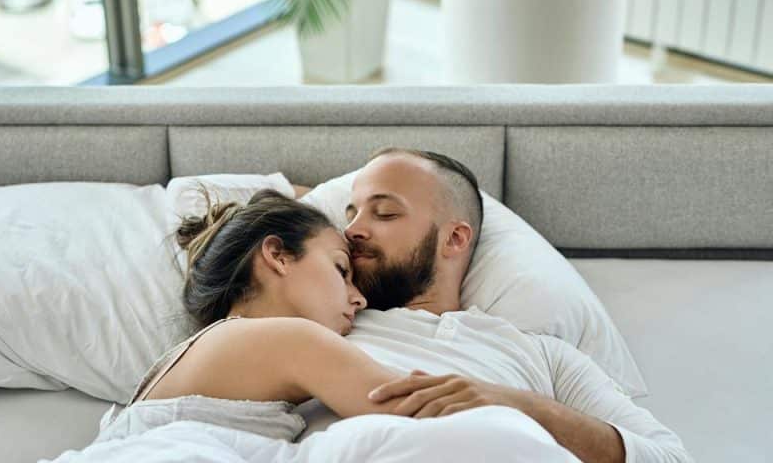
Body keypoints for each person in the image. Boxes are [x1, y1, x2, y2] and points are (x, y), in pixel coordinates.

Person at [79, 189, 576, 462]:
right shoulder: (287, 338)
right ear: (275, 255)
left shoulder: (206, 351)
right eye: (341, 269)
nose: (358, 298)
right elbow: (416, 407)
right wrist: (520, 403)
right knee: (496, 433)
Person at [306, 147, 692, 463]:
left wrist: (514, 404)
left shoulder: (543, 355)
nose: (353, 230)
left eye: (385, 212)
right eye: (351, 213)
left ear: (455, 240)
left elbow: (671, 458)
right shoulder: (319, 320)